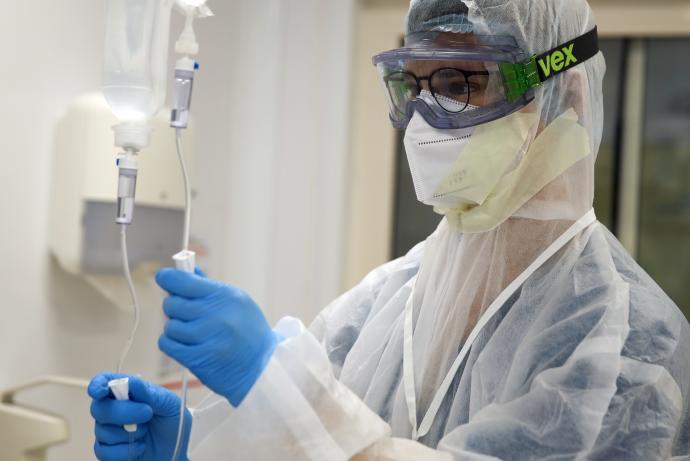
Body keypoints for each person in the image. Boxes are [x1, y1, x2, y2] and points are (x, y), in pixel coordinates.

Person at [88, 0, 690, 459]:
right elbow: (308, 443)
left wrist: (273, 382)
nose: (427, 120)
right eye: (414, 84)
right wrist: (203, 444)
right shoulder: (382, 305)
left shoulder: (628, 349)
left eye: (461, 84)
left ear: (569, 94)